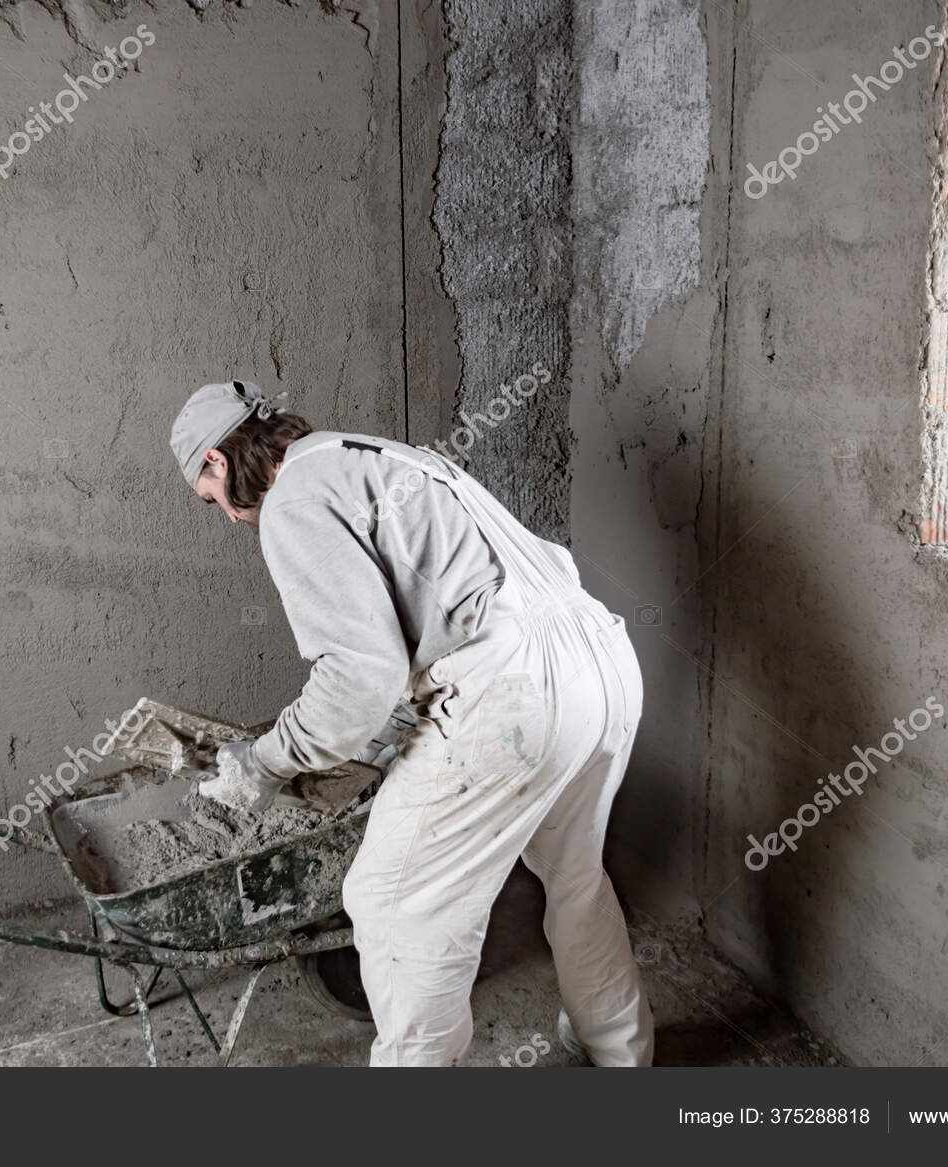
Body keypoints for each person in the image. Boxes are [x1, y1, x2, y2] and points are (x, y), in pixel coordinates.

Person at [169, 380, 653, 1067]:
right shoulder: (361, 453)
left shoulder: (292, 501)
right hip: (600, 661)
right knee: (573, 872)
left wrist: (267, 761)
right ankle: (620, 1049)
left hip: (515, 694)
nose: (225, 514)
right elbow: (436, 600)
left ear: (218, 461)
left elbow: (359, 673)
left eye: (209, 496)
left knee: (391, 906)